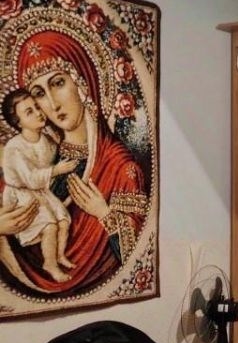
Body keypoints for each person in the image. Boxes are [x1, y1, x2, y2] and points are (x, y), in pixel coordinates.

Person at [3, 28, 149, 294]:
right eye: (38, 93)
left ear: (82, 83)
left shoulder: (120, 167)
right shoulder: (34, 159)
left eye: (58, 83)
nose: (52, 103)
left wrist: (104, 214)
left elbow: (137, 258)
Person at [1, 88, 77, 282]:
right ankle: (49, 264)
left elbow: (52, 156)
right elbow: (30, 179)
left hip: (41, 191)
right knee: (49, 225)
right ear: (18, 122)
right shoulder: (15, 147)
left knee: (63, 220)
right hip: (21, 196)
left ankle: (59, 255)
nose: (38, 113)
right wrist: (56, 170)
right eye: (29, 112)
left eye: (37, 107)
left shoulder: (46, 140)